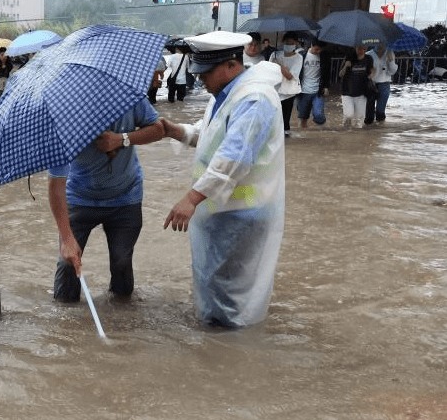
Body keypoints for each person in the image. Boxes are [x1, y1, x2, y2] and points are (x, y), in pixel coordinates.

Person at [161, 31, 285, 328]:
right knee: (215, 282)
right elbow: (213, 135)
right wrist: (176, 130)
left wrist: (191, 198)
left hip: (242, 213)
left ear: (230, 64)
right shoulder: (227, 92)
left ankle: (228, 351)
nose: (200, 79)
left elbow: (235, 157)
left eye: (206, 72)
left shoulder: (254, 98)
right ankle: (215, 341)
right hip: (221, 210)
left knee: (233, 292)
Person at [48, 90, 165, 303]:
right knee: (68, 263)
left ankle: (122, 317)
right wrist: (66, 238)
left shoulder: (130, 96)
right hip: (80, 198)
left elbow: (159, 129)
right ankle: (63, 321)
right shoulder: (62, 118)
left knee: (121, 261)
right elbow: (56, 185)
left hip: (126, 196)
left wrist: (123, 139)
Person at [270, 32, 303, 137]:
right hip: (275, 89)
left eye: (292, 43)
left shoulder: (298, 58)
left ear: (296, 44)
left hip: (289, 91)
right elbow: (269, 72)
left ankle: (285, 134)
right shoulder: (275, 54)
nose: (289, 44)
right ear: (283, 42)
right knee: (275, 115)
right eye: (288, 42)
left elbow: (289, 76)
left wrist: (279, 64)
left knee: (286, 116)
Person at [338, 45, 374, 129]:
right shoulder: (349, 57)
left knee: (360, 119)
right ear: (355, 49)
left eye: (363, 49)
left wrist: (372, 76)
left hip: (362, 92)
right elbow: (340, 74)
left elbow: (371, 73)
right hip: (347, 92)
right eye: (359, 49)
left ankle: (357, 138)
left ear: (366, 49)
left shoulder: (369, 58)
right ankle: (346, 131)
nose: (361, 51)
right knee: (349, 115)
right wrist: (345, 66)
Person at [297, 40, 331, 128]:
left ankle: (321, 130)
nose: (318, 52)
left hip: (318, 91)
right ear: (311, 46)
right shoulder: (301, 56)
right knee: (303, 117)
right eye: (316, 49)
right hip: (303, 90)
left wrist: (326, 87)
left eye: (320, 50)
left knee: (318, 115)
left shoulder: (325, 57)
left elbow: (327, 73)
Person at [366, 43, 397, 125]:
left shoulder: (390, 53)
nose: (380, 45)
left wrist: (391, 61)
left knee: (380, 111)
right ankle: (368, 133)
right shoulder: (368, 55)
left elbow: (392, 72)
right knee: (369, 114)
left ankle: (380, 131)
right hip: (370, 85)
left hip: (384, 84)